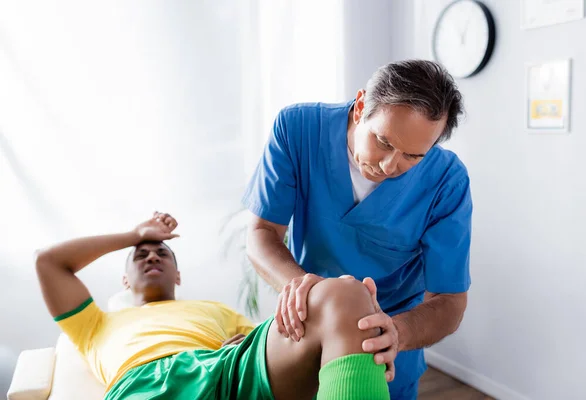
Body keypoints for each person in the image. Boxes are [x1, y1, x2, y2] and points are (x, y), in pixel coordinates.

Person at [243, 59, 472, 399]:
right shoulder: (298, 130)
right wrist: (307, 291)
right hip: (307, 329)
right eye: (383, 141)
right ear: (361, 105)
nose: (390, 165)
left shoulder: (446, 181)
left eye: (413, 156)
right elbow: (262, 233)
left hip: (386, 350)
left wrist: (396, 332)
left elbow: (449, 301)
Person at [35, 212, 392, 400]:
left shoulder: (213, 310)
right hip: (143, 388)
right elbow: (48, 262)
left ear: (178, 275)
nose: (151, 255)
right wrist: (137, 234)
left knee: (345, 294)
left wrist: (239, 343)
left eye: (161, 252)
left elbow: (268, 343)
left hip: (223, 370)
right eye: (141, 254)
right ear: (125, 280)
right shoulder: (96, 323)